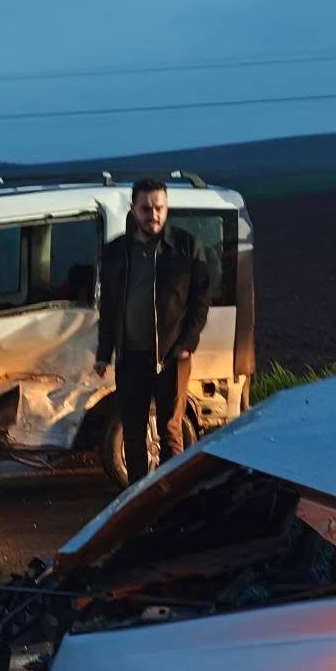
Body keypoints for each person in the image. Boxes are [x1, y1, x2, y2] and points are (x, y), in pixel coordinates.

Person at [95, 178, 211, 485]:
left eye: (159, 208)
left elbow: (202, 300)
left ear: (167, 207)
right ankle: (137, 503)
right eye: (146, 209)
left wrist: (188, 343)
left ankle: (171, 502)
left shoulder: (186, 246)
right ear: (133, 209)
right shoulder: (116, 252)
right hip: (130, 358)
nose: (153, 215)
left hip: (171, 356)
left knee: (170, 431)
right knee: (133, 433)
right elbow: (108, 306)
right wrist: (103, 353)